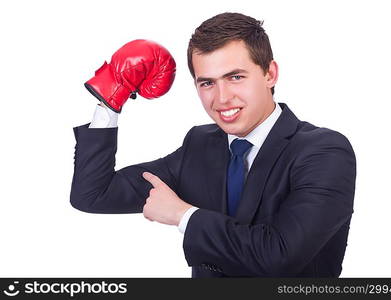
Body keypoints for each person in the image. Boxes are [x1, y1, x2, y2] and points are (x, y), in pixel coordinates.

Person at [70, 12, 357, 278]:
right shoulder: (200, 145)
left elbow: (279, 256)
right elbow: (93, 194)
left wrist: (183, 215)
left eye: (235, 77)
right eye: (206, 83)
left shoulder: (324, 152)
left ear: (270, 74)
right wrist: (110, 99)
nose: (221, 98)